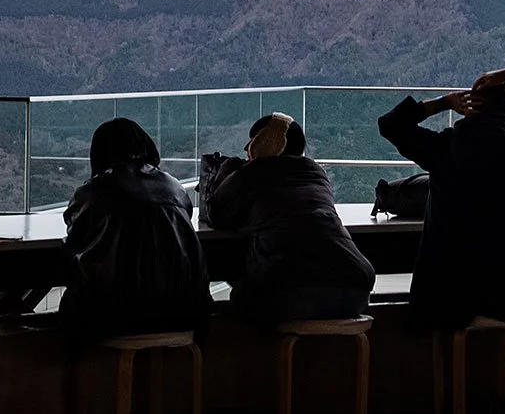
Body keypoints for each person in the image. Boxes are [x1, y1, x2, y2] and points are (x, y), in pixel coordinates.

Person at [377, 63, 505, 330]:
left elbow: (390, 124)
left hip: (450, 301)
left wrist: (444, 103)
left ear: (470, 109)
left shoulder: (444, 148)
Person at [201, 113, 375, 328]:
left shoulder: (253, 172)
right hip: (356, 288)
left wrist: (226, 170)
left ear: (264, 144)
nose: (246, 148)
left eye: (252, 142)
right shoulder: (317, 173)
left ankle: (265, 361)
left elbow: (216, 215)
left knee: (240, 298)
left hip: (291, 290)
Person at [59, 118, 212, 347]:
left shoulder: (94, 190)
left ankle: (84, 380)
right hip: (184, 314)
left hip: (113, 315)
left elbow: (75, 239)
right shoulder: (175, 188)